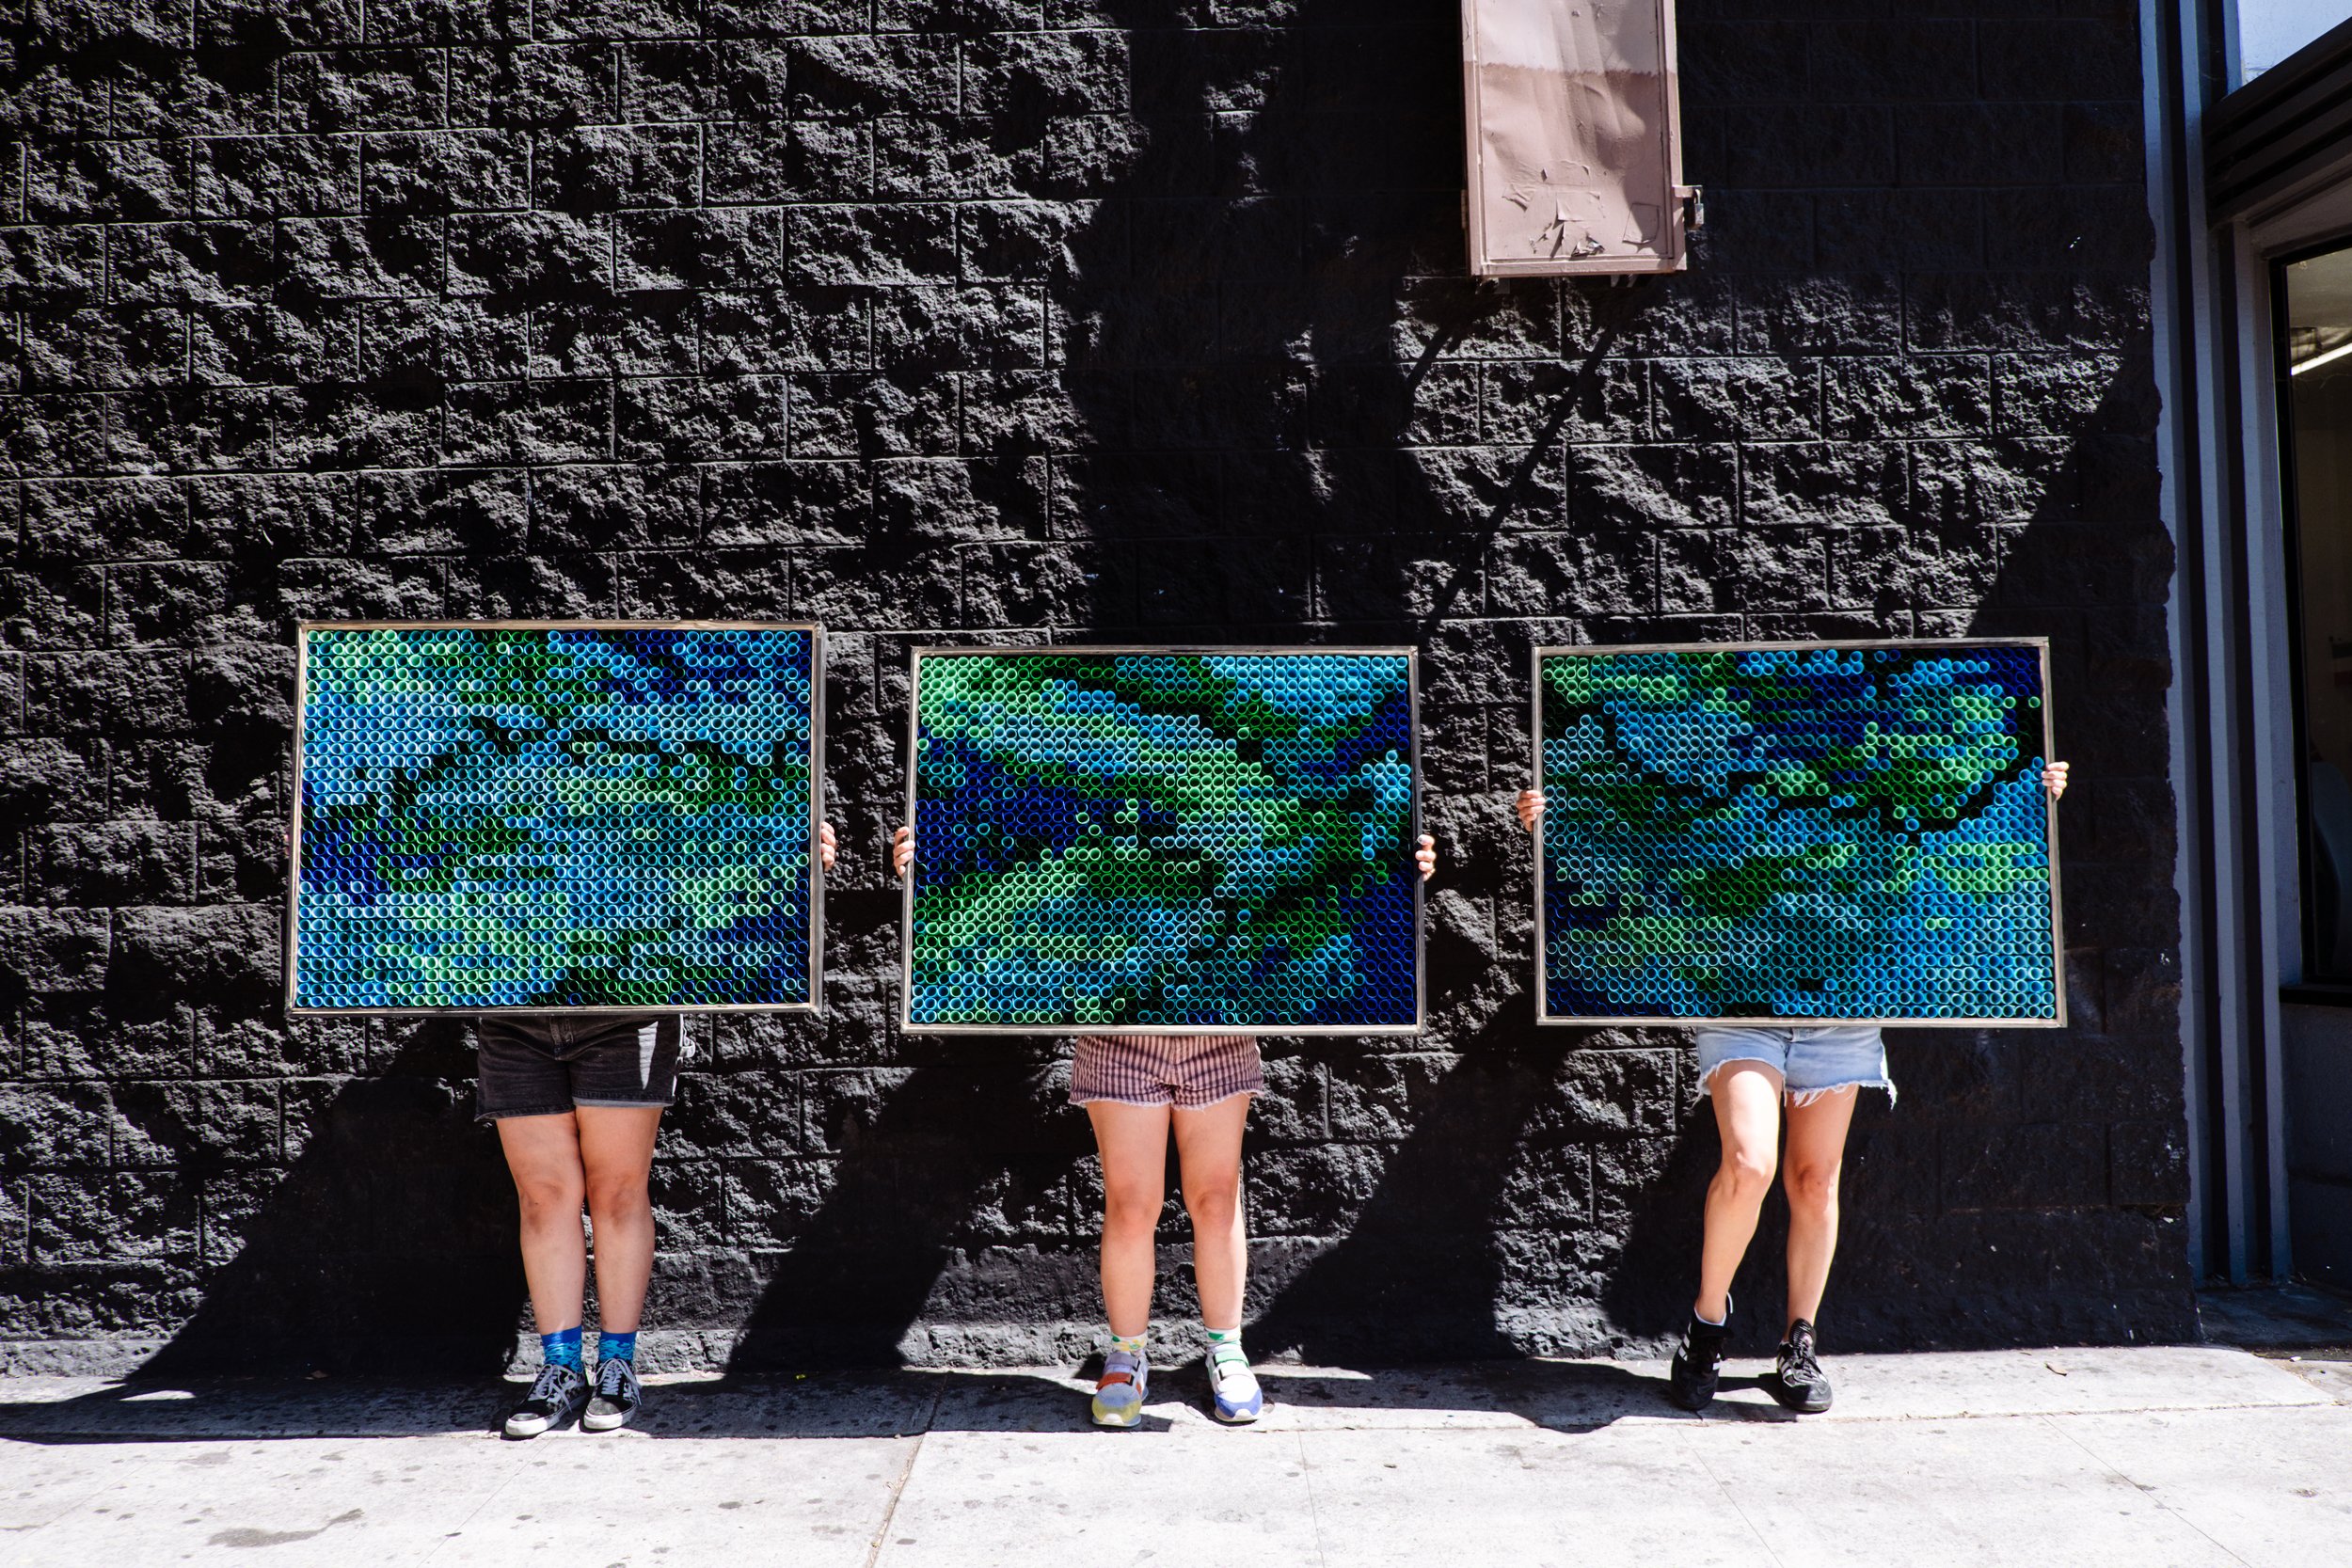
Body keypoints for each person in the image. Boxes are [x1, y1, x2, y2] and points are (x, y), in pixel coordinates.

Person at [1516, 763, 2069, 1413]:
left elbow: (1942, 820)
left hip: (1842, 1006)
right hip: (1740, 1001)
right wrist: (1562, 816)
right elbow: (1657, 822)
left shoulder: (1871, 755)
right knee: (1749, 1163)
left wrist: (2028, 789)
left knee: (1814, 1180)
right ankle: (1706, 1329)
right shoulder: (1735, 752)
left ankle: (1798, 1344)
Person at [895, 822, 1438, 1427]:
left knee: (1216, 1196)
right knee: (1131, 1203)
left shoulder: (1234, 798)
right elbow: (1017, 846)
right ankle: (1126, 1357)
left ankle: (1226, 1351)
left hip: (1222, 1027)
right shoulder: (1099, 793)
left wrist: (1395, 862)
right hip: (1117, 1034)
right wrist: (931, 865)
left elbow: (1313, 843)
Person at [495, 822, 838, 1439]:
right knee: (543, 1195)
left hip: (629, 1001)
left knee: (617, 1190)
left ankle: (618, 1365)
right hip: (510, 1003)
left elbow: (708, 816)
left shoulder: (641, 769)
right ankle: (560, 1368)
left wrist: (788, 837)